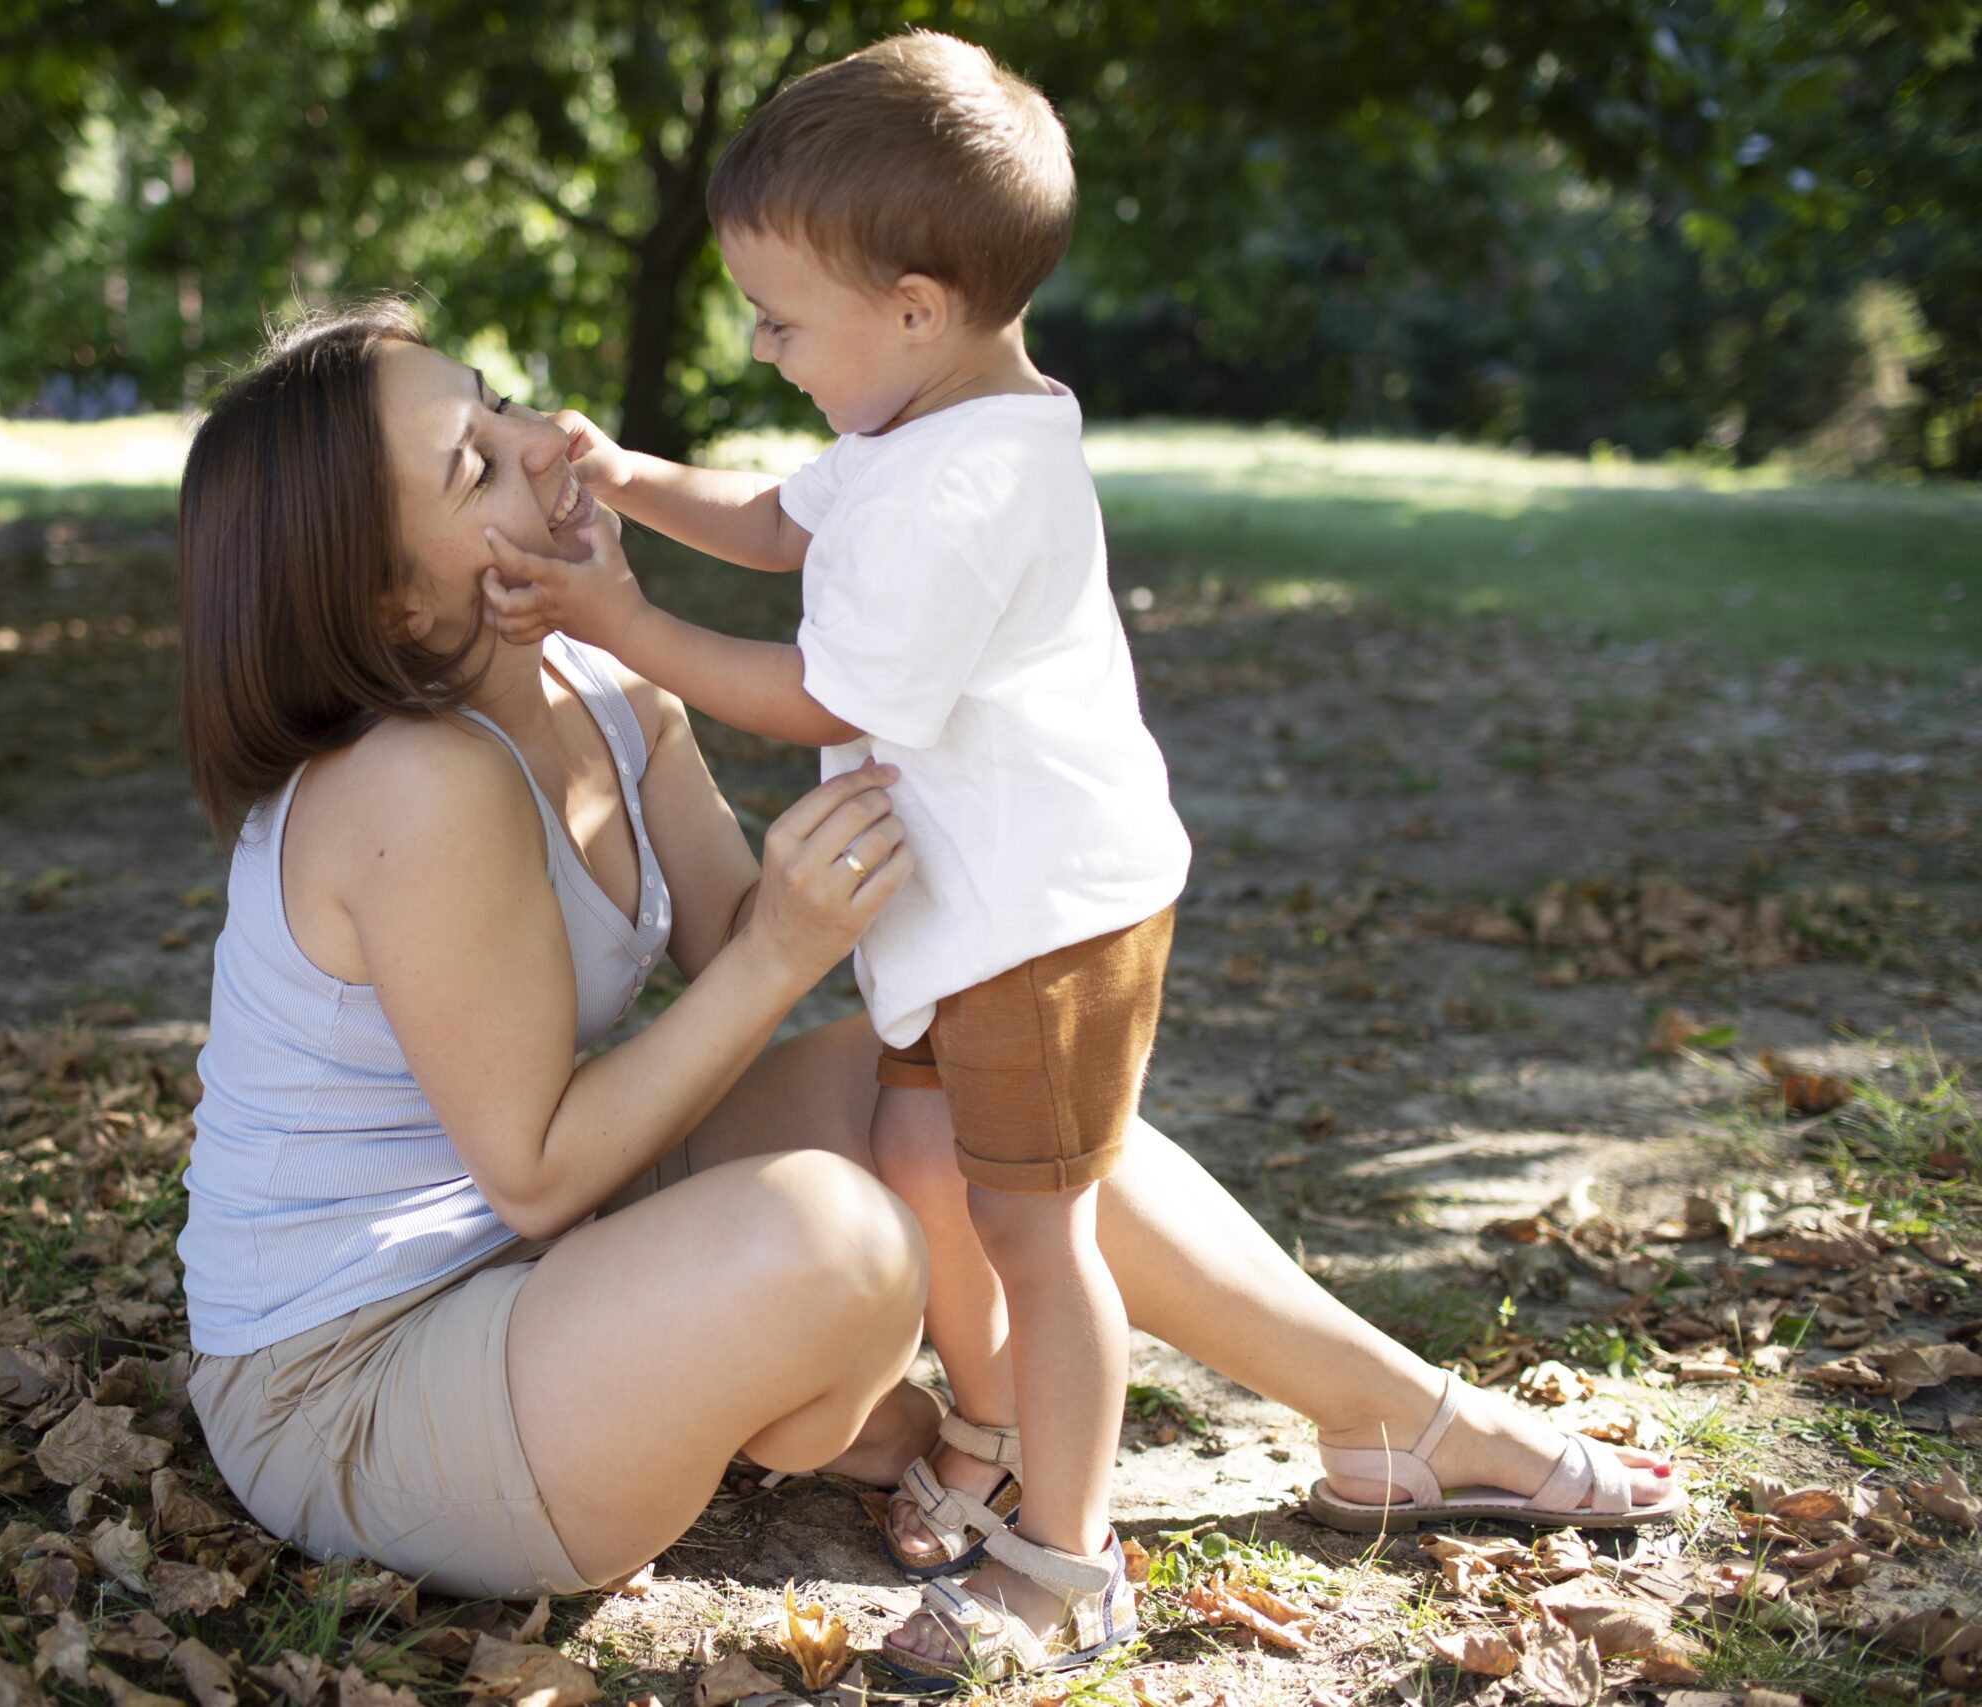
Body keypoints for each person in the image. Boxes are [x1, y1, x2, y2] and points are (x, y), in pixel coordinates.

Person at [171, 299, 1680, 1632]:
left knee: (971, 1079)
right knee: (834, 1244)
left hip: (554, 1261)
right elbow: (550, 1165)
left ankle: (1404, 1421)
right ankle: (864, 1420)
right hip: (359, 1383)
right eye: (474, 466)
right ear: (392, 607)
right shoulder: (407, 787)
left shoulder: (605, 687)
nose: (537, 442)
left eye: (497, 401)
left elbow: (760, 974)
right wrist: (779, 941)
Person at [474, 31, 1683, 1689]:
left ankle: (1069, 1552)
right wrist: (633, 486)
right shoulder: (914, 423)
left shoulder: (976, 482)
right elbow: (775, 517)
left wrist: (619, 615)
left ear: (913, 306)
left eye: (779, 317)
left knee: (1042, 1244)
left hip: (1045, 926)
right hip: (951, 919)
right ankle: (981, 1430)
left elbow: (818, 691)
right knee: (923, 1181)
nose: (759, 347)